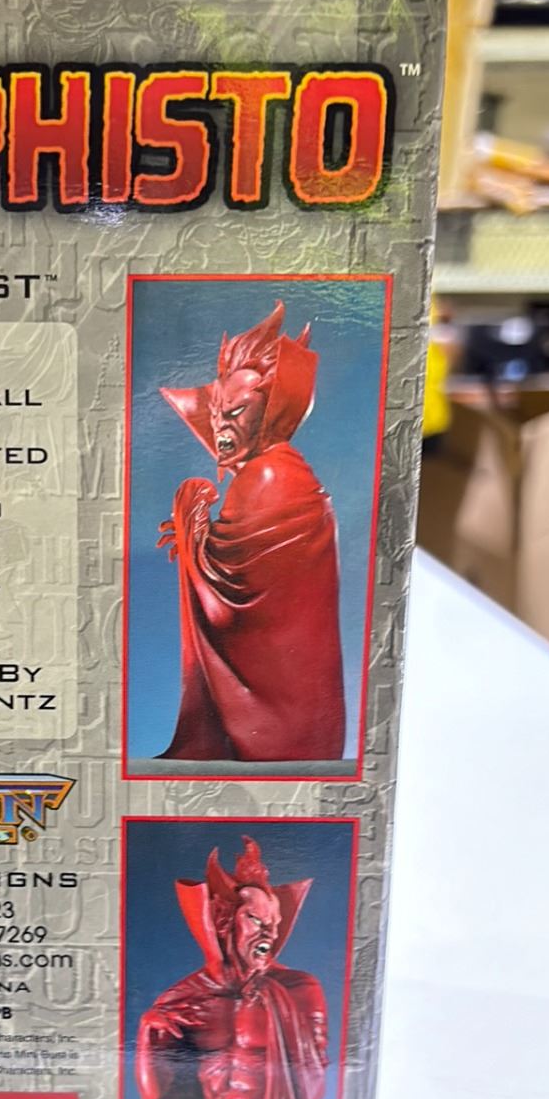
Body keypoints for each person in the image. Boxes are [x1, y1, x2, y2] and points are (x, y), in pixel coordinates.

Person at [158, 302, 345, 763]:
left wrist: (189, 516)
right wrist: (195, 540)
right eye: (216, 413)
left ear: (270, 410)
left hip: (278, 727)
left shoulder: (269, 477)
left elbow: (231, 605)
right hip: (305, 722)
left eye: (236, 412)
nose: (220, 427)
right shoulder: (282, 471)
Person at [135, 836, 327, 1099]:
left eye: (274, 922)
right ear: (224, 922)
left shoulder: (298, 989)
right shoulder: (185, 998)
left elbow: (315, 1082)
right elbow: (155, 1093)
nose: (269, 932)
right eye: (256, 919)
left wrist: (279, 1011)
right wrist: (147, 1035)